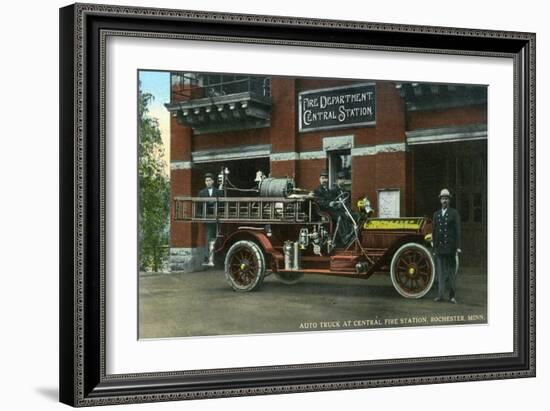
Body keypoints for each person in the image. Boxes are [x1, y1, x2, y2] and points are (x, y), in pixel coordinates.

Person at [432, 188, 462, 304]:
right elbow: (434, 232)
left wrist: (458, 247)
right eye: (443, 198)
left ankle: (452, 296)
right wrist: (434, 248)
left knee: (451, 273)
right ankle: (440, 295)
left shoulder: (454, 213)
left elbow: (458, 231)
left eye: (446, 199)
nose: (444, 201)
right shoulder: (436, 214)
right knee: (440, 273)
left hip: (450, 248)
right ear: (440, 200)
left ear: (449, 200)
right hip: (439, 248)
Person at [313, 170, 354, 246]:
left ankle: (348, 234)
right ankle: (344, 237)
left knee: (344, 214)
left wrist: (336, 204)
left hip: (330, 210)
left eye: (326, 178)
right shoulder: (317, 191)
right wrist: (329, 203)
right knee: (339, 216)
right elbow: (319, 201)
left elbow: (332, 199)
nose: (324, 180)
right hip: (323, 211)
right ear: (319, 179)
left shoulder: (328, 190)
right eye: (322, 178)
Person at [198, 172, 223, 266]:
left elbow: (222, 205)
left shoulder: (218, 192)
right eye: (206, 181)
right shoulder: (201, 193)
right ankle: (207, 258)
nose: (207, 182)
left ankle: (217, 258)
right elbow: (199, 207)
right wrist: (201, 216)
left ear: (212, 181)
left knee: (218, 237)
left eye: (209, 180)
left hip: (217, 218)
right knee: (208, 238)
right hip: (208, 219)